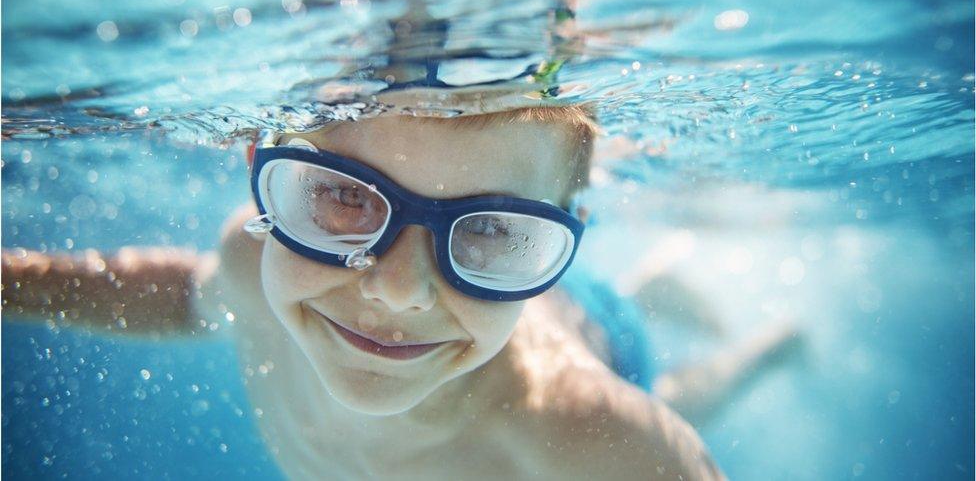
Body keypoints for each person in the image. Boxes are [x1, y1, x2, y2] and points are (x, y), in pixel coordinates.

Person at [4, 105, 744, 479]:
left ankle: (742, 337)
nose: (397, 291)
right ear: (262, 172)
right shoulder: (249, 265)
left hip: (595, 332)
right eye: (342, 195)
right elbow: (189, 295)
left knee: (680, 396)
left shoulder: (585, 430)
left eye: (494, 224)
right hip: (490, 284)